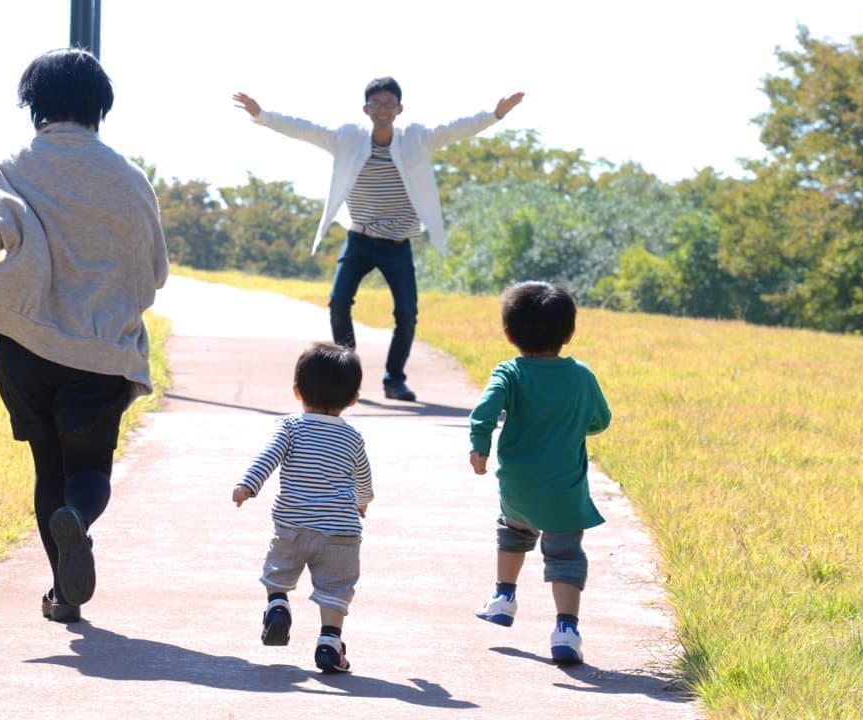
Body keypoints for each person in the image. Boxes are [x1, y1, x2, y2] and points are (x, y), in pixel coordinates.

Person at [0, 48, 170, 623]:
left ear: (33, 104)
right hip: (100, 349)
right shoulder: (129, 179)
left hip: (27, 348)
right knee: (88, 472)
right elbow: (154, 272)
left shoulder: (9, 167)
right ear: (99, 107)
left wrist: (7, 292)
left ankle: (64, 596)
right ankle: (79, 523)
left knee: (48, 468)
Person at [233, 79, 524, 402]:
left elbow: (457, 128)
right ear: (366, 109)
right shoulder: (347, 138)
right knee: (338, 302)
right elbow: (305, 129)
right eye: (377, 103)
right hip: (359, 239)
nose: (383, 109)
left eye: (389, 103)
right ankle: (347, 375)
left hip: (397, 244)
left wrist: (495, 114)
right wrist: (262, 115)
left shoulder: (417, 139)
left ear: (399, 109)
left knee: (406, 313)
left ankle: (394, 379)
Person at [469, 281, 611, 664]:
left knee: (512, 533)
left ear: (509, 333)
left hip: (518, 486)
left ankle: (503, 597)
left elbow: (483, 412)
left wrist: (480, 444)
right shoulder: (581, 376)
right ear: (570, 333)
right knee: (564, 554)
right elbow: (601, 420)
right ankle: (566, 630)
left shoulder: (510, 372)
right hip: (564, 490)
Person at [232, 342, 373, 673]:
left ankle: (278, 605)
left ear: (297, 392)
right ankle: (330, 642)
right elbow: (363, 477)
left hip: (293, 527)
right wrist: (362, 503)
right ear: (353, 399)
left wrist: (247, 485)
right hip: (340, 533)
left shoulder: (290, 427)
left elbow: (267, 458)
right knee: (336, 589)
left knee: (278, 573)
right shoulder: (353, 437)